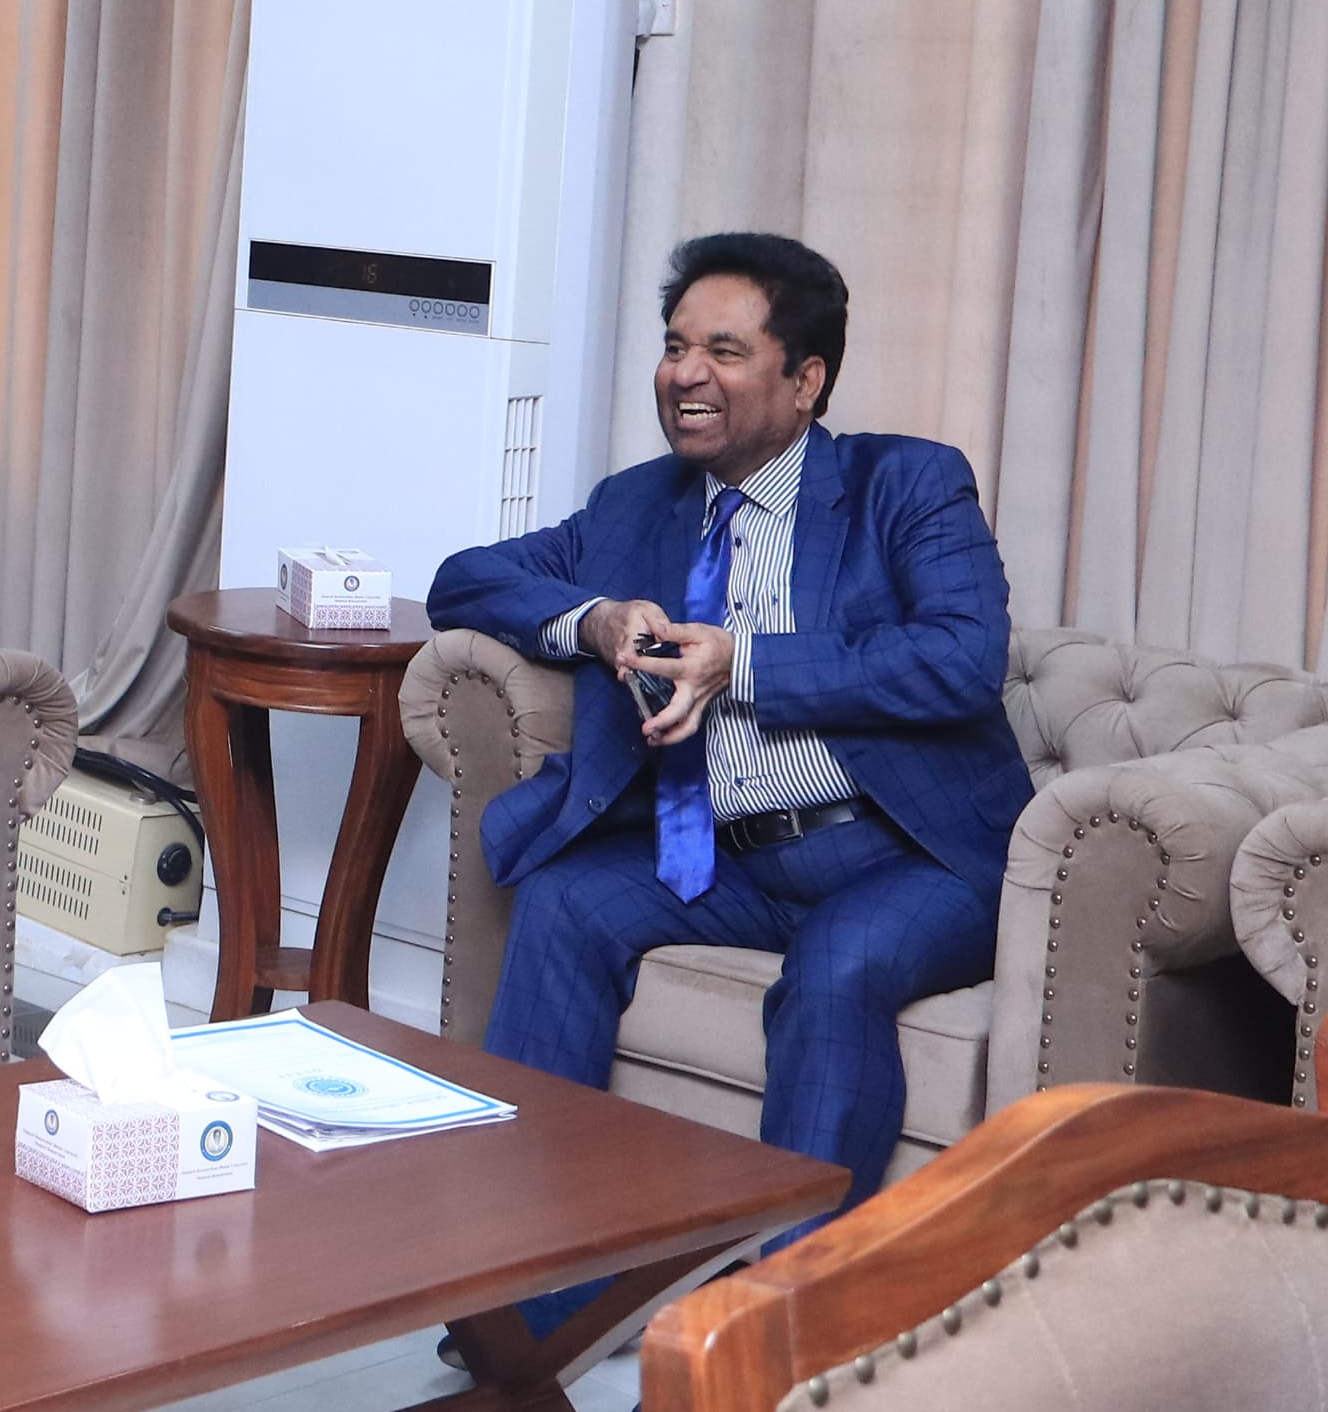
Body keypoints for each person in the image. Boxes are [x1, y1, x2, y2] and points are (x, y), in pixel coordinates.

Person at [428, 231, 1028, 1266]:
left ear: (806, 380)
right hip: (731, 857)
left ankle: (784, 1313)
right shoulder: (636, 505)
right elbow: (464, 578)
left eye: (724, 350)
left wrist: (739, 663)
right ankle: (526, 1299)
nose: (685, 374)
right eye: (673, 347)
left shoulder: (906, 484)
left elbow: (960, 657)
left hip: (904, 855)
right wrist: (595, 619)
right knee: (564, 902)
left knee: (836, 966)